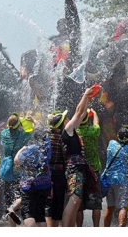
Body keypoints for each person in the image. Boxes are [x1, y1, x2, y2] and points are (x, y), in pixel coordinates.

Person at [47, 85, 98, 227]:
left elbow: (82, 114)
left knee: (77, 200)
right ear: (63, 122)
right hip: (74, 169)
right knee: (74, 200)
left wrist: (88, 99)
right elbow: (78, 111)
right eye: (65, 117)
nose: (68, 117)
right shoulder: (67, 130)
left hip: (76, 168)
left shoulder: (69, 130)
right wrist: (85, 94)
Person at [0, 112, 37, 227]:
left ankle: (12, 228)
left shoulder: (3, 133)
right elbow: (36, 131)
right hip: (17, 170)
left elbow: (11, 128)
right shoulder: (22, 135)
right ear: (19, 125)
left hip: (6, 170)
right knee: (21, 197)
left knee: (10, 200)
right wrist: (31, 120)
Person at [13, 124, 51, 227]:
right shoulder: (48, 146)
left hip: (30, 185)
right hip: (45, 184)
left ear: (34, 137)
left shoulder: (31, 149)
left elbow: (16, 161)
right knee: (40, 214)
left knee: (27, 212)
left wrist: (20, 150)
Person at [103, 125, 128, 227]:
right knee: (123, 207)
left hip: (109, 179)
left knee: (110, 207)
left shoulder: (111, 143)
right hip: (121, 181)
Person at [76, 108, 102, 227]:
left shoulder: (75, 132)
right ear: (87, 120)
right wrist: (95, 113)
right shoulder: (93, 131)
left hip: (79, 170)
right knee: (96, 203)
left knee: (79, 204)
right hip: (94, 170)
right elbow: (97, 123)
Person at [45, 110, 67, 227]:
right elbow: (65, 156)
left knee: (49, 201)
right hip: (59, 173)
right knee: (59, 200)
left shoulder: (46, 137)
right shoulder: (62, 138)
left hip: (47, 172)